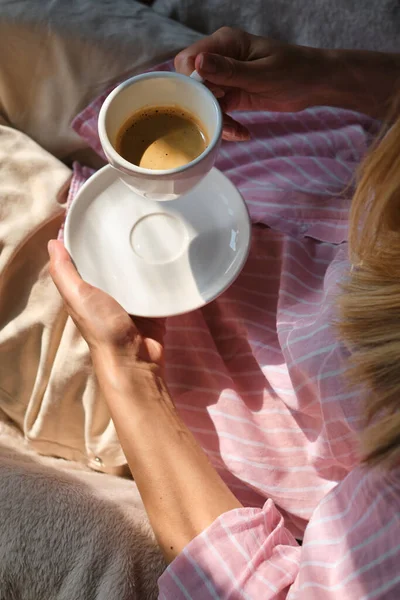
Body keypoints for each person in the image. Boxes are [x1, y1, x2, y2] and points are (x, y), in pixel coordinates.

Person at [47, 28, 400, 598]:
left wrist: (128, 371)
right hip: (307, 145)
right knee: (33, 41)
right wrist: (330, 75)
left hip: (188, 379)